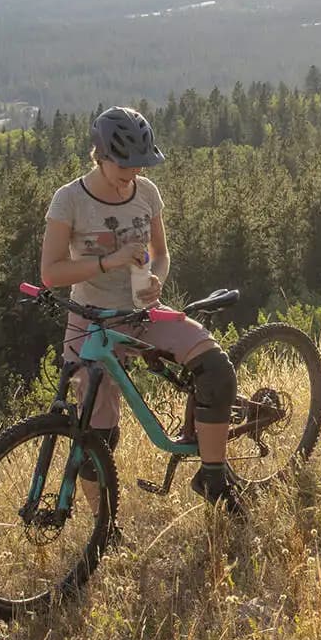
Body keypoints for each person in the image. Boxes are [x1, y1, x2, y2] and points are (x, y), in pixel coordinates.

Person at [40, 105, 240, 509]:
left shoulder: (146, 192)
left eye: (138, 166)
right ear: (100, 156)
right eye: (122, 168)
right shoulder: (69, 201)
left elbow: (160, 254)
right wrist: (107, 262)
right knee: (95, 438)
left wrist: (157, 281)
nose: (129, 176)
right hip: (92, 322)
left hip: (143, 314)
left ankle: (213, 480)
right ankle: (105, 529)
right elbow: (50, 273)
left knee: (216, 371)